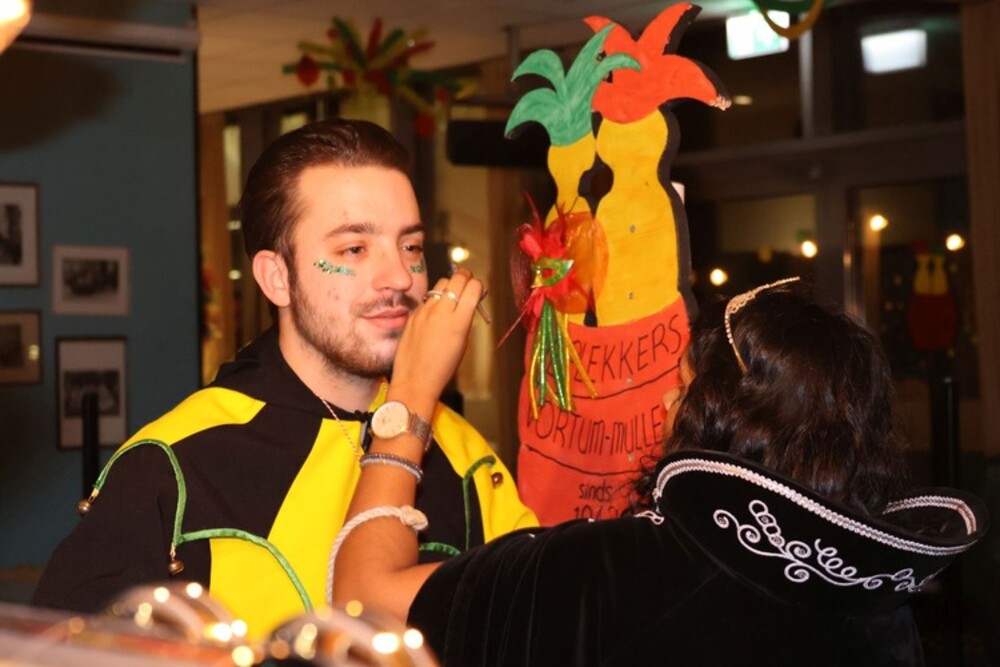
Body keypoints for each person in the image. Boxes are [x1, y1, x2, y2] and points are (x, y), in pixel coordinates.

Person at [32, 118, 537, 638]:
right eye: (354, 249)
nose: (399, 277)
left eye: (410, 247)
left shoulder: (464, 453)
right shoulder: (174, 462)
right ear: (278, 277)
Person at [330, 276, 987, 665]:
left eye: (683, 387)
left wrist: (410, 396)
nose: (667, 402)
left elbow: (365, 600)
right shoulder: (878, 603)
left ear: (717, 418)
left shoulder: (612, 572)